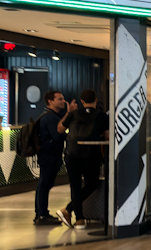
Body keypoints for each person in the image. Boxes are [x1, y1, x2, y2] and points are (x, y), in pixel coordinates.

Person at [56, 89, 109, 230]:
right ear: (96, 100)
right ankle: (68, 210)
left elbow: (60, 129)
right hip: (91, 154)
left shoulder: (74, 114)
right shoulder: (102, 116)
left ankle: (79, 219)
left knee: (75, 185)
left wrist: (69, 112)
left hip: (72, 154)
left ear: (82, 102)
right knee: (92, 184)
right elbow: (108, 137)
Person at [33, 91, 76, 225]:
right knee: (45, 184)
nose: (63, 101)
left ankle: (40, 213)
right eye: (60, 99)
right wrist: (69, 135)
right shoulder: (51, 118)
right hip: (49, 155)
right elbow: (58, 135)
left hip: (47, 155)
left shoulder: (48, 116)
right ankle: (42, 214)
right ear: (50, 101)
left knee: (44, 184)